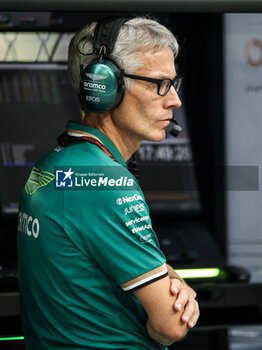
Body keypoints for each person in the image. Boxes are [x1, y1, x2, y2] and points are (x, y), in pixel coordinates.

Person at [17, 16, 199, 350]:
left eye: (174, 83)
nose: (174, 101)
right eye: (158, 83)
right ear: (104, 87)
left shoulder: (55, 162)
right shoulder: (103, 181)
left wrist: (165, 272)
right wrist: (175, 284)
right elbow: (171, 325)